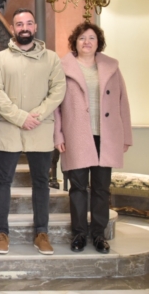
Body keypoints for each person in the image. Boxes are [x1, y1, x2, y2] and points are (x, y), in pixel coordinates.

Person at [0, 8, 66, 255]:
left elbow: (58, 90)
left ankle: (41, 233)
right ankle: (1, 232)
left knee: (41, 183)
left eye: (29, 23)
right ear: (13, 29)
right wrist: (21, 117)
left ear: (35, 27)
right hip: (10, 131)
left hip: (40, 131)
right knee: (3, 182)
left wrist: (38, 115)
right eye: (19, 24)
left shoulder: (52, 58)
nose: (24, 27)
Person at [54, 22, 132, 254]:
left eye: (91, 38)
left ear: (98, 42)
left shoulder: (111, 68)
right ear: (75, 42)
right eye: (81, 38)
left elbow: (122, 103)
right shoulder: (63, 67)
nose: (86, 42)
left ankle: (98, 235)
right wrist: (58, 134)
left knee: (101, 188)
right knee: (77, 187)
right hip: (76, 136)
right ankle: (79, 234)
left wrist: (125, 136)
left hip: (106, 135)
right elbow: (55, 106)